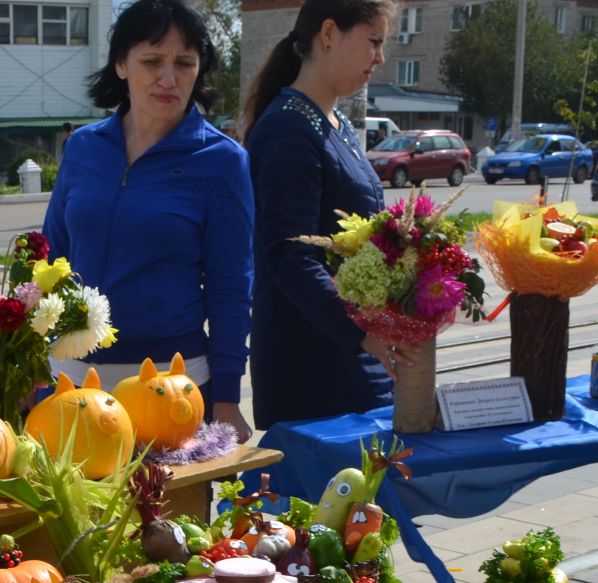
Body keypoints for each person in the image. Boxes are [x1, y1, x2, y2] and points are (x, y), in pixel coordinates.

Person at [40, 0, 253, 443]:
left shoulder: (222, 162)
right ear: (121, 64)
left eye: (184, 63)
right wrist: (28, 361)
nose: (168, 78)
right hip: (69, 381)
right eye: (152, 61)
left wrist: (228, 398)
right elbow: (50, 256)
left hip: (171, 390)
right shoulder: (82, 148)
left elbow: (231, 286)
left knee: (168, 515)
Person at [240, 0, 399, 432]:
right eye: (373, 42)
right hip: (315, 371)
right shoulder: (288, 130)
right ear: (328, 34)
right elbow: (291, 255)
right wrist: (365, 334)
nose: (380, 58)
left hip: (350, 361)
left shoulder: (333, 123)